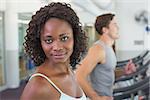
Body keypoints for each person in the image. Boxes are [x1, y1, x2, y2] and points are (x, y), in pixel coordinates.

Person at [21, 2, 88, 100]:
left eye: (64, 38)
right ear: (39, 43)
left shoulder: (70, 71)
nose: (57, 47)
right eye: (49, 40)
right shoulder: (39, 85)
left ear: (75, 38)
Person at [76, 13, 136, 100]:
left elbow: (106, 73)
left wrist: (124, 72)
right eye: (114, 25)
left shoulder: (109, 48)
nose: (118, 28)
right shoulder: (98, 49)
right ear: (105, 30)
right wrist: (96, 98)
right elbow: (79, 75)